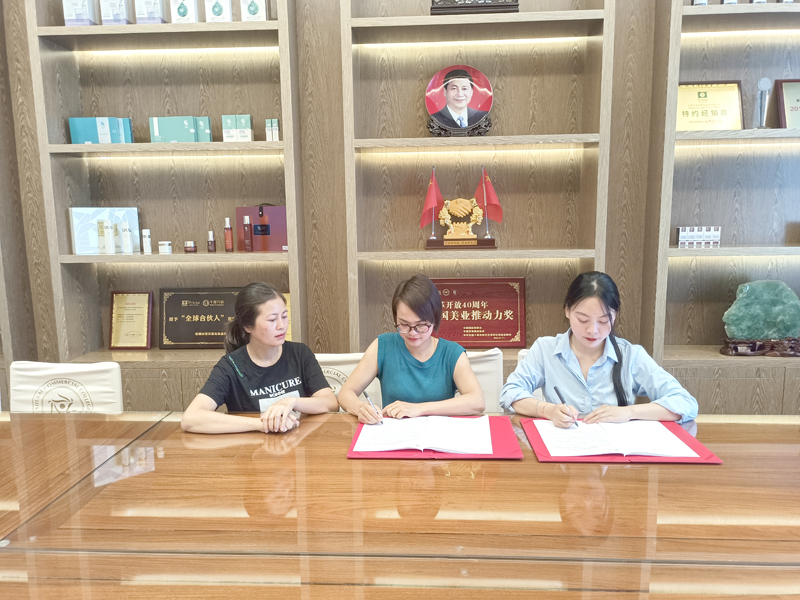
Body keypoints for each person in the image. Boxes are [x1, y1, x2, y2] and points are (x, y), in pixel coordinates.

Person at [500, 271, 698, 428]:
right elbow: (510, 393)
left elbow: (685, 402)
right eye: (582, 319)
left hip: (616, 457)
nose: (592, 330)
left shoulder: (631, 355)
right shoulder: (545, 349)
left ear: (615, 315)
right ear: (567, 310)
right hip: (565, 450)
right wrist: (548, 410)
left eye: (603, 321)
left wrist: (628, 413)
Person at [181, 282, 338, 434]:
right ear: (248, 326)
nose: (281, 325)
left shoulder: (300, 353)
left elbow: (331, 403)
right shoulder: (231, 366)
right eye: (272, 320)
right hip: (253, 447)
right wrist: (261, 424)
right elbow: (191, 418)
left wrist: (292, 401)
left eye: (284, 316)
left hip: (299, 443)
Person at [338, 274, 484, 422]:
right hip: (394, 432)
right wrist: (361, 408)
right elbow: (345, 393)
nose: (412, 333)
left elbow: (477, 401)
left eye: (421, 325)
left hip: (438, 432)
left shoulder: (452, 353)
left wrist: (419, 408)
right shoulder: (383, 346)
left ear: (434, 319)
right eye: (404, 324)